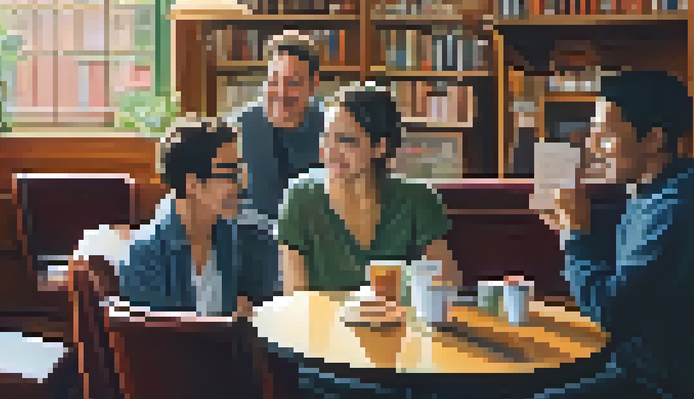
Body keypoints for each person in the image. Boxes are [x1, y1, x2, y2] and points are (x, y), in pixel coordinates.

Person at [485, 70, 694, 399]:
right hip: (634, 369)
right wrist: (570, 231)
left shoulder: (675, 207)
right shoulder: (651, 193)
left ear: (654, 139)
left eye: (606, 135)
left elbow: (608, 312)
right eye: (592, 133)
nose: (592, 147)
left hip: (664, 389)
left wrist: (576, 234)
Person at [278, 83, 459, 293]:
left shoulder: (418, 200)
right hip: (321, 316)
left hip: (400, 314)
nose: (330, 151)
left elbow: (444, 287)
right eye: (326, 137)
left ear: (380, 147)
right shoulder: (301, 197)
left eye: (346, 140)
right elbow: (296, 297)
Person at [116, 116, 278, 315]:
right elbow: (158, 334)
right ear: (192, 184)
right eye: (231, 174)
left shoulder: (239, 235)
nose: (242, 185)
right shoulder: (145, 257)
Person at [230, 34, 326, 235]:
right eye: (274, 81)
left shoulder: (333, 129)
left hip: (314, 239)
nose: (281, 93)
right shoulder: (240, 126)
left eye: (293, 83)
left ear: (313, 84)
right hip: (252, 238)